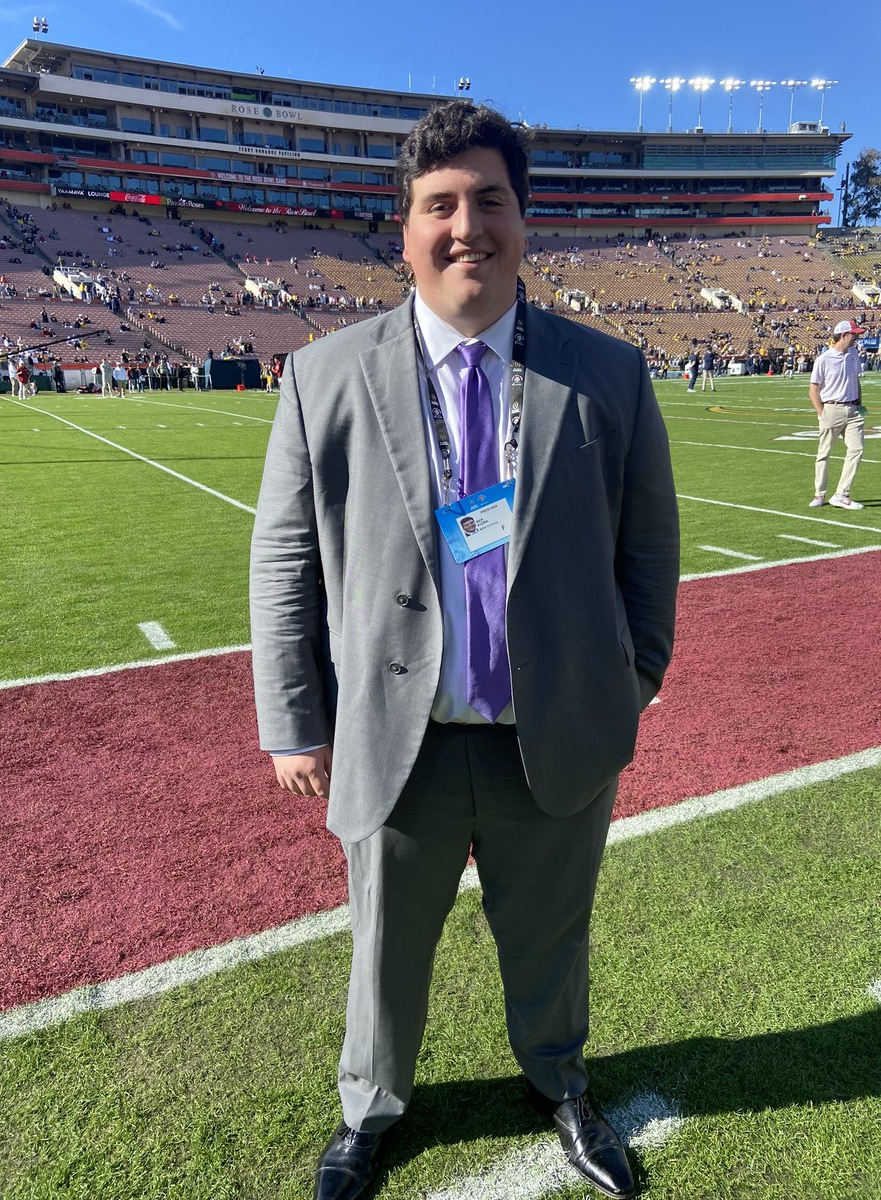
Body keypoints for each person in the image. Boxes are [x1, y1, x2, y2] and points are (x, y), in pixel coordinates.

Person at [250, 101, 679, 1200]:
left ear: (523, 220)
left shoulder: (609, 376)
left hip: (557, 732)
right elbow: (283, 561)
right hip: (401, 741)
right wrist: (294, 719)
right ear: (403, 231)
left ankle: (560, 1080)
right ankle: (371, 1109)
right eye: (439, 204)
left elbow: (648, 554)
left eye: (490, 200)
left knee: (552, 938)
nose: (466, 225)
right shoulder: (325, 376)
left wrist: (631, 684)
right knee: (385, 957)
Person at [808, 319, 866, 510]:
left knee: (856, 449)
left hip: (853, 410)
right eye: (854, 334)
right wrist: (822, 413)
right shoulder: (823, 359)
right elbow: (813, 389)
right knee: (824, 452)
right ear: (843, 336)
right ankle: (820, 494)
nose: (857, 337)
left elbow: (856, 380)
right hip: (831, 408)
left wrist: (859, 402)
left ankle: (842, 494)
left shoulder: (854, 355)